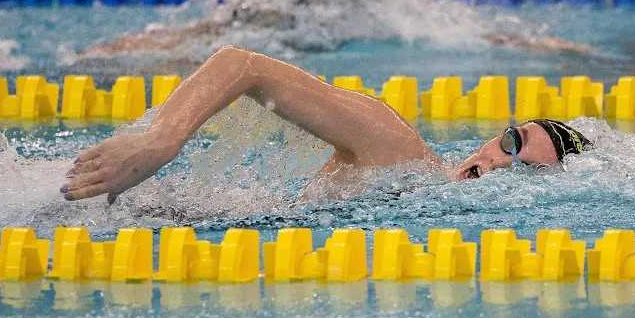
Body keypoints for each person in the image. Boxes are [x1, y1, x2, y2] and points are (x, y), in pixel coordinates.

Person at [62, 45, 590, 203]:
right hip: (117, 204)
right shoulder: (398, 151)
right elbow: (243, 65)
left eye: (525, 170)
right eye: (512, 141)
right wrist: (160, 141)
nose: (500, 162)